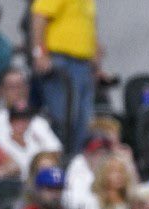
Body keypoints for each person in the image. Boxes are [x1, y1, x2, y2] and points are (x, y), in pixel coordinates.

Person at [29, 0, 102, 153]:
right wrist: (38, 53)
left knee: (83, 122)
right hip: (62, 61)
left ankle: (75, 164)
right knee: (63, 119)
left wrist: (96, 55)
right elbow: (39, 17)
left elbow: (87, 27)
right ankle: (59, 162)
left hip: (83, 64)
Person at [0, 103, 61, 180]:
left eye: (24, 119)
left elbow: (56, 153)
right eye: (16, 119)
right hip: (15, 185)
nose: (21, 123)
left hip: (39, 182)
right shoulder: (1, 142)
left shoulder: (35, 138)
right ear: (10, 121)